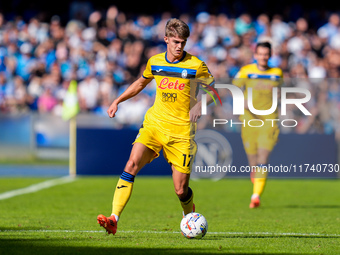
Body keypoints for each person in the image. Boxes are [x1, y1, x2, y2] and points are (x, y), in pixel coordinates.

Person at [97, 18, 214, 235]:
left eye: (183, 42)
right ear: (166, 39)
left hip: (181, 133)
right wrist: (117, 101)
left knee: (180, 190)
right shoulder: (155, 62)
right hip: (154, 124)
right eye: (176, 41)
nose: (180, 46)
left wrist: (200, 104)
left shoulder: (196, 64)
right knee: (131, 164)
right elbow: (140, 83)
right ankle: (114, 218)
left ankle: (189, 212)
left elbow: (214, 89)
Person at [233, 41, 283, 208]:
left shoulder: (277, 73)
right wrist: (243, 101)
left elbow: (280, 93)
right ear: (255, 55)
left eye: (266, 54)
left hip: (269, 120)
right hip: (248, 120)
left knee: (263, 158)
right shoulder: (246, 71)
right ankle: (256, 181)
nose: (263, 57)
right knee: (253, 163)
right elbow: (233, 88)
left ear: (270, 55)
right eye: (260, 54)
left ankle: (255, 196)